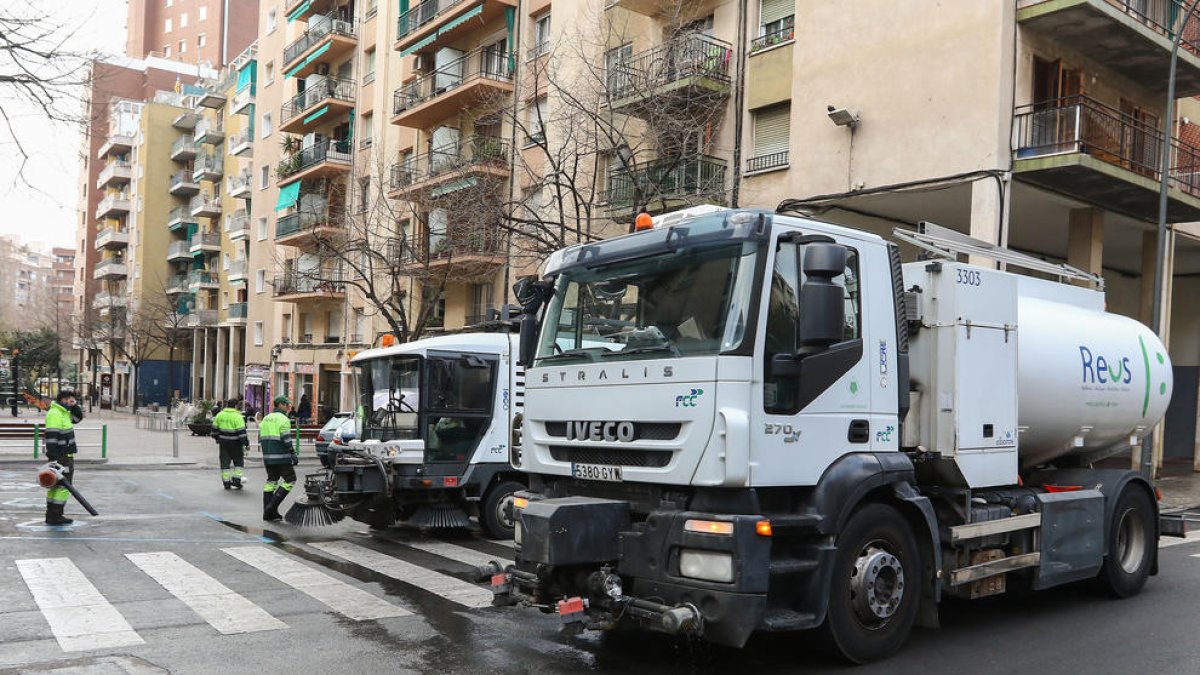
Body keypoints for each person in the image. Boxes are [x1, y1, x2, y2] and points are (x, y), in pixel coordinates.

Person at [43, 390, 84, 526]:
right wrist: (53, 458)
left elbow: (77, 418)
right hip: (61, 456)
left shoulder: (64, 412)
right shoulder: (56, 413)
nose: (72, 402)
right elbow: (51, 437)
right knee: (63, 487)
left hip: (65, 454)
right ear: (64, 399)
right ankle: (55, 515)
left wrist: (74, 406)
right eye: (71, 400)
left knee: (55, 486)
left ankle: (52, 515)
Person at [259, 395, 297, 521]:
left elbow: (261, 437)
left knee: (271, 481)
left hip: (268, 457)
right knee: (290, 480)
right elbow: (286, 439)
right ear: (280, 404)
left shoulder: (266, 418)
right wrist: (292, 452)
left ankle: (268, 513)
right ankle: (271, 507)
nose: (288, 407)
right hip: (281, 456)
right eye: (287, 405)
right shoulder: (283, 419)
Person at [211, 398, 249, 490]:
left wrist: (218, 439)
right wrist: (246, 443)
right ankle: (236, 480)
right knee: (238, 462)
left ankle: (226, 483)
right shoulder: (238, 416)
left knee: (225, 463)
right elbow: (242, 433)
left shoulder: (220, 415)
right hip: (236, 444)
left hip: (223, 444)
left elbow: (214, 431)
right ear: (236, 406)